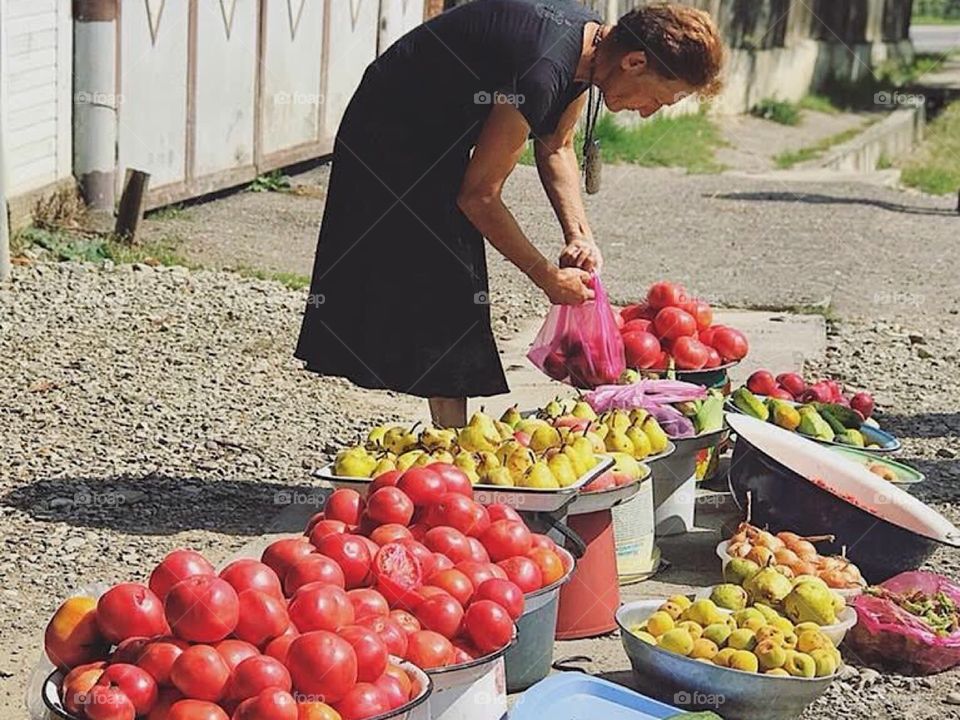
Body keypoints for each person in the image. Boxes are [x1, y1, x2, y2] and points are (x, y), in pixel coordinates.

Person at [296, 0, 724, 427]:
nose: (648, 112)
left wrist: (579, 235)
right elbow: (479, 196)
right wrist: (546, 277)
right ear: (634, 62)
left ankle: (453, 442)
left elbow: (556, 145)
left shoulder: (591, 49)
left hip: (440, 128)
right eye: (657, 99)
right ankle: (456, 443)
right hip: (390, 130)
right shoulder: (541, 68)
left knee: (447, 284)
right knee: (450, 284)